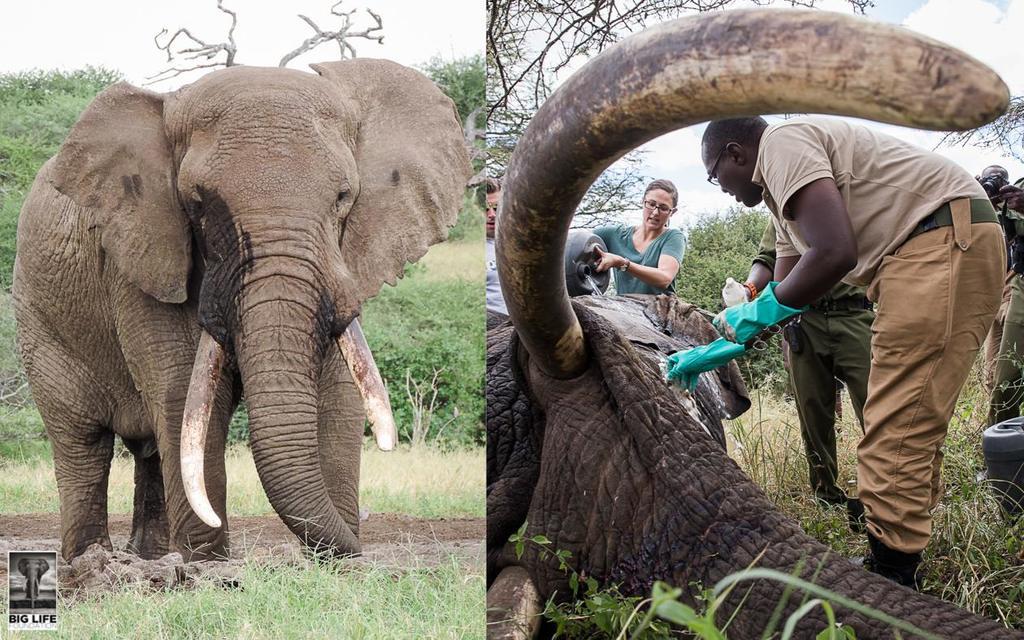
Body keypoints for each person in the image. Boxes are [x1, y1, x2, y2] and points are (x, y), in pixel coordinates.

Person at [672, 115, 1003, 589]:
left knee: (893, 428)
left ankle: (892, 582)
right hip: (934, 245)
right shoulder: (780, 202)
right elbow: (790, 288)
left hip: (937, 242)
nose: (718, 185)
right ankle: (908, 544)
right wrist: (733, 339)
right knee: (910, 417)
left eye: (712, 173)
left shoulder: (781, 143)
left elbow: (834, 253)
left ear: (734, 152)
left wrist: (754, 315)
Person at [740, 222, 873, 514]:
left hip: (855, 313)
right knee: (813, 413)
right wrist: (748, 289)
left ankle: (882, 491)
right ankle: (827, 496)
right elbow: (766, 259)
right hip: (803, 320)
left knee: (876, 409)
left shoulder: (851, 197)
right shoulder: (783, 207)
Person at [982, 165, 1024, 425]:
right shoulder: (1007, 199)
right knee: (1002, 382)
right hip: (1011, 288)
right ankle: (1000, 456)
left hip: (1012, 292)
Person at [592, 179, 685, 295]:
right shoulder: (614, 235)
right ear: (643, 202)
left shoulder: (673, 237)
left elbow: (664, 278)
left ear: (672, 212)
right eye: (651, 204)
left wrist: (622, 263)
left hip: (659, 310)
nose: (656, 212)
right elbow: (577, 242)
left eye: (663, 208)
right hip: (622, 310)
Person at [485, 177, 509, 320]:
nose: (492, 215)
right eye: (485, 210)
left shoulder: (523, 245)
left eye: (496, 208)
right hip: (492, 332)